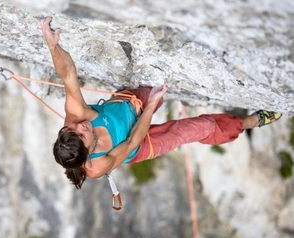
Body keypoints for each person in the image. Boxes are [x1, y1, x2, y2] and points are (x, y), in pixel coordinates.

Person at [38, 16, 282, 189]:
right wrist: (152, 106)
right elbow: (133, 139)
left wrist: (52, 45)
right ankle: (250, 122)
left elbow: (68, 74)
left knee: (159, 86)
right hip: (140, 144)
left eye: (74, 129)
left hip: (129, 103)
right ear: (89, 149)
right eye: (82, 134)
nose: (81, 126)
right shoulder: (98, 164)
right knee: (204, 128)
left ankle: (154, 98)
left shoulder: (77, 116)